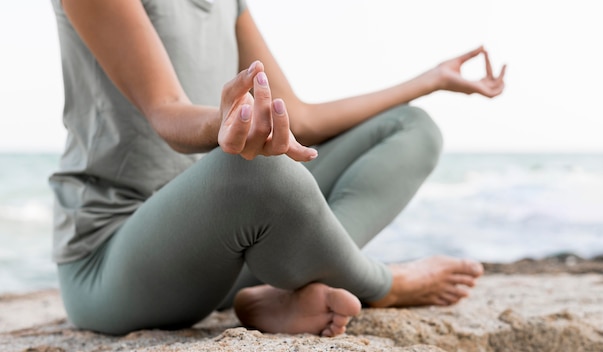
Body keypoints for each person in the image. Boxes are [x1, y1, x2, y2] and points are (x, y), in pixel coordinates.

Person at [49, 0, 505, 338]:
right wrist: (227, 122)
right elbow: (166, 111)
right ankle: (383, 282)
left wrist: (430, 80)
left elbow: (301, 119)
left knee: (411, 129)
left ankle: (279, 293)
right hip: (113, 263)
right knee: (257, 172)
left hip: (225, 258)